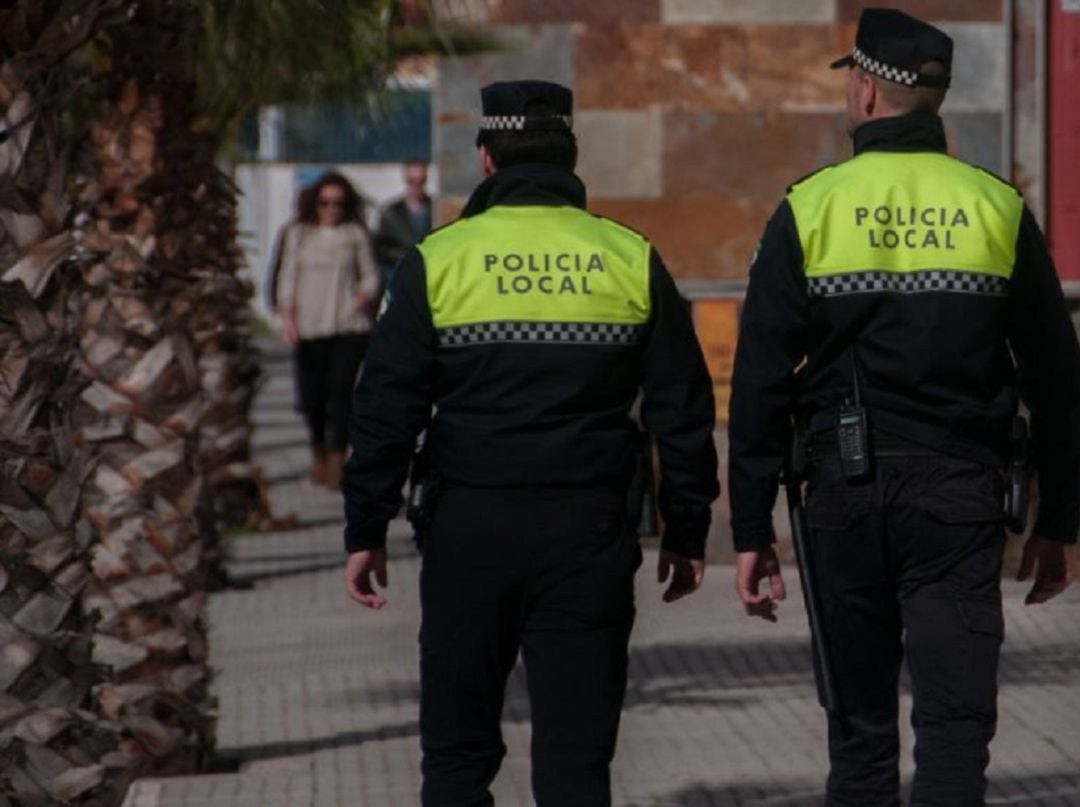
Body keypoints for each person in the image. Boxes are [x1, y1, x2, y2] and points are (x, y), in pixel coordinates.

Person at [728, 9, 1080, 805]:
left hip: (842, 498)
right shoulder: (995, 208)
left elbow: (758, 380)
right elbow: (1058, 377)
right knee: (955, 731)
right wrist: (1059, 521)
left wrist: (751, 530)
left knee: (859, 739)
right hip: (959, 496)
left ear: (863, 91)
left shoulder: (809, 207)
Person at [342, 80, 719, 806]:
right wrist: (688, 527)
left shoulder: (437, 260)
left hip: (468, 527)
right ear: (571, 158)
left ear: (487, 160)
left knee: (456, 754)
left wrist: (366, 526)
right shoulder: (629, 256)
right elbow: (682, 408)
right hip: (589, 527)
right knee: (576, 760)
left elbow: (386, 408)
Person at [277, 171, 379, 489]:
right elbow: (286, 278)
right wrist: (288, 318)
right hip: (310, 327)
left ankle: (337, 460)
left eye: (338, 203)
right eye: (325, 202)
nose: (331, 208)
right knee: (312, 398)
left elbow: (371, 274)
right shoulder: (298, 234)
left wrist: (363, 294)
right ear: (314, 203)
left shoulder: (354, 234)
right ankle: (318, 450)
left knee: (342, 392)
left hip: (348, 326)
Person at [373, 160, 432, 289]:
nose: (417, 186)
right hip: (398, 275)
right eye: (412, 181)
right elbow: (381, 248)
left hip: (429, 274)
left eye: (420, 181)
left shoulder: (434, 210)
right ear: (406, 180)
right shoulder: (391, 213)